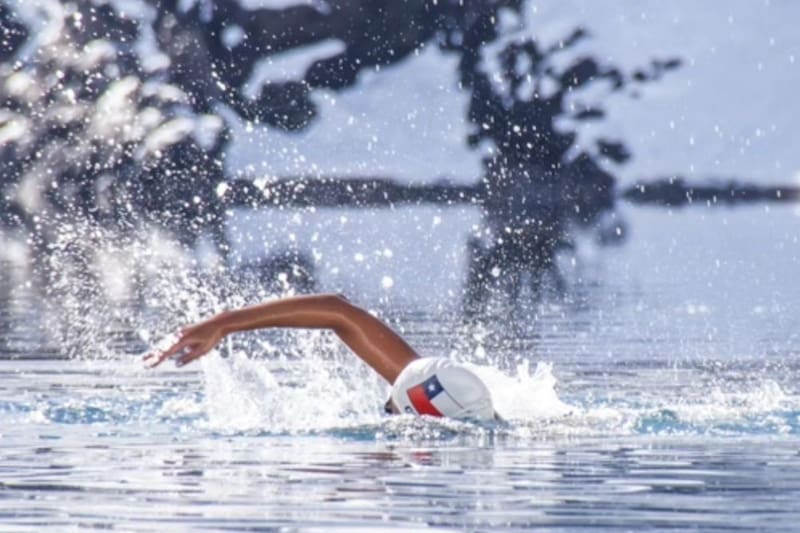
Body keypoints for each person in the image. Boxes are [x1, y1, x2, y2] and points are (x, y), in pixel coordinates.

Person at [144, 293, 496, 420]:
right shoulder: (441, 397)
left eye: (390, 410)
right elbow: (337, 311)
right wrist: (222, 325)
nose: (385, 407)